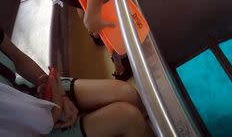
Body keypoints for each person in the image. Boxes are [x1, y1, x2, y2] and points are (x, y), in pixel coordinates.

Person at [0, 27, 153, 137]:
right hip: (32, 131)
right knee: (128, 117)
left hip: (27, 94)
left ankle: (151, 128)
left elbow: (17, 57)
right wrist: (53, 113)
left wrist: (56, 91)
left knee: (127, 93)